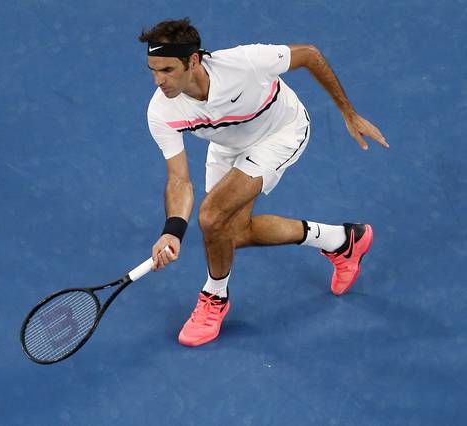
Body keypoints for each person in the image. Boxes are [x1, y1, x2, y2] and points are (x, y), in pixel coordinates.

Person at [138, 18, 388, 347]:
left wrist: (349, 113)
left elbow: (310, 55)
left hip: (281, 132)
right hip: (229, 145)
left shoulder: (244, 63)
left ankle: (214, 297)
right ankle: (343, 240)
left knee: (212, 216)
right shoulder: (161, 111)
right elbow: (179, 179)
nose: (158, 81)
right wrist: (172, 230)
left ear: (194, 60)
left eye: (167, 70)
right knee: (229, 232)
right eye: (153, 70)